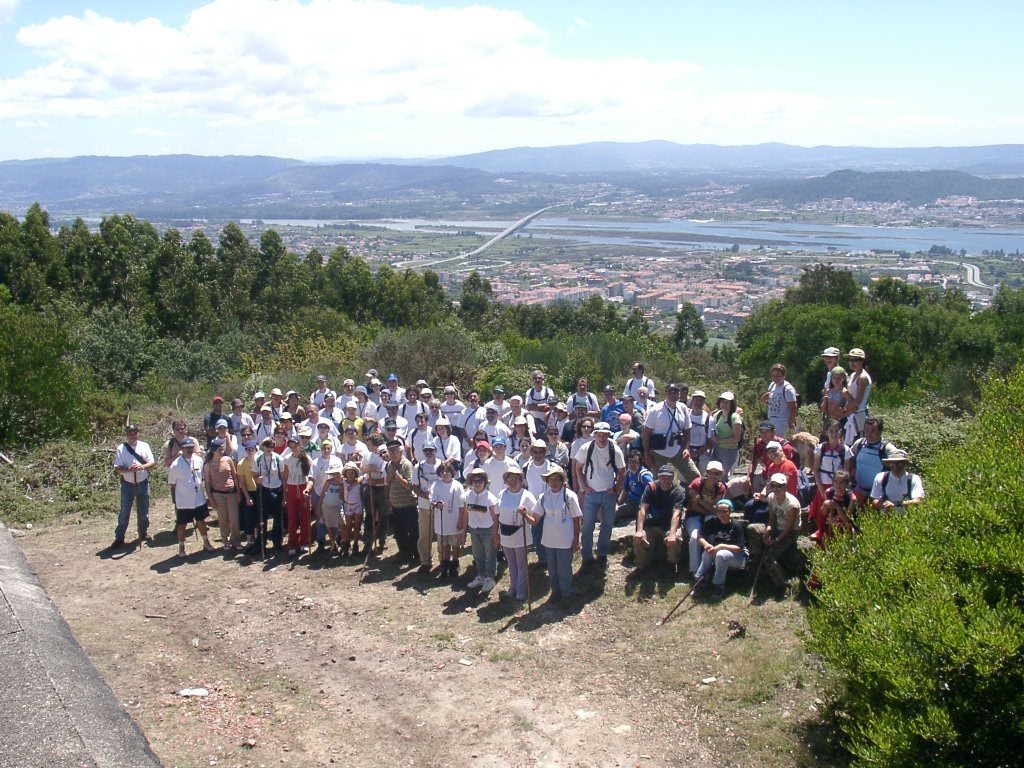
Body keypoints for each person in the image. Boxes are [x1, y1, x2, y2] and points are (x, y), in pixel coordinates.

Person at [523, 465, 582, 608]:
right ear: (547, 482)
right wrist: (524, 515)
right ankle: (556, 592)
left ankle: (567, 594)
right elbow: (535, 519)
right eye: (551, 479)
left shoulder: (569, 496)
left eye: (556, 479)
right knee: (552, 569)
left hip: (565, 540)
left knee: (564, 569)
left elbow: (576, 519)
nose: (554, 482)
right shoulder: (544, 497)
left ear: (562, 481)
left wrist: (576, 540)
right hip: (549, 540)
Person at [574, 421, 625, 572]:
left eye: (605, 435)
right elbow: (578, 467)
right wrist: (585, 487)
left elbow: (622, 470)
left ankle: (602, 553)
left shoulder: (614, 449)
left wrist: (616, 487)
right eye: (599, 435)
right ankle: (587, 556)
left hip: (608, 493)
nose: (602, 438)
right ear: (594, 435)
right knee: (588, 526)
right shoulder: (586, 448)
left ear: (609, 435)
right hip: (592, 493)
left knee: (607, 525)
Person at [747, 473, 800, 593]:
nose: (776, 489)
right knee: (752, 528)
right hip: (776, 529)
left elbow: (789, 528)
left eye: (779, 486)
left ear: (785, 486)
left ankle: (783, 585)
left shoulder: (792, 504)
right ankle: (756, 558)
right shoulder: (771, 497)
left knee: (769, 558)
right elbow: (772, 519)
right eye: (773, 486)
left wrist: (776, 540)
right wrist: (768, 531)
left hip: (789, 532)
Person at [166, 437, 215, 557]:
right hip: (184, 500)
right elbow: (172, 483)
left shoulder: (198, 460)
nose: (189, 450)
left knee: (201, 521)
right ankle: (181, 548)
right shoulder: (176, 464)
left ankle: (206, 542)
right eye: (187, 448)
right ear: (182, 449)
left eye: (191, 447)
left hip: (198, 498)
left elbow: (203, 476)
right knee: (182, 525)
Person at [632, 465, 686, 574]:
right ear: (658, 477)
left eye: (668, 478)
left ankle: (672, 564)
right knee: (638, 538)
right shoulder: (651, 488)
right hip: (652, 524)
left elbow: (676, 514)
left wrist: (672, 533)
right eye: (663, 477)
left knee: (675, 539)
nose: (665, 481)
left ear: (673, 478)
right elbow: (642, 509)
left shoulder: (679, 491)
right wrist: (639, 530)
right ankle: (641, 566)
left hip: (669, 525)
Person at [495, 465, 536, 603]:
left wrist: (525, 514)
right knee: (511, 563)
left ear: (521, 480)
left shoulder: (527, 495)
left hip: (520, 533)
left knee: (521, 563)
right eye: (510, 478)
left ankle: (520, 590)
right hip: (505, 533)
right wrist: (496, 533)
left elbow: (535, 517)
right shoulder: (502, 494)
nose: (512, 481)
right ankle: (512, 587)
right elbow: (497, 513)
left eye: (516, 478)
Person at [693, 499, 747, 600]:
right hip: (716, 555)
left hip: (736, 558)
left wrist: (722, 546)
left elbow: (739, 548)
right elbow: (699, 535)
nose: (721, 514)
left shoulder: (736, 525)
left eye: (724, 511)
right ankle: (700, 581)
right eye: (719, 511)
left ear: (730, 512)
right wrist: (706, 545)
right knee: (708, 552)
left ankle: (718, 586)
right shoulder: (712, 522)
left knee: (721, 554)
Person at [111, 424, 155, 548]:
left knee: (143, 511)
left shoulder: (144, 446)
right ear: (127, 434)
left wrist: (141, 467)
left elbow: (151, 462)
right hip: (127, 485)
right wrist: (129, 470)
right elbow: (118, 468)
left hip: (143, 482)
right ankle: (119, 537)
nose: (133, 435)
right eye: (130, 433)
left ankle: (143, 532)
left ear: (137, 433)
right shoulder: (121, 448)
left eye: (135, 432)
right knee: (124, 512)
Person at [642, 382, 696, 482]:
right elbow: (646, 434)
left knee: (695, 477)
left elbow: (687, 430)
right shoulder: (655, 410)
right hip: (659, 452)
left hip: (679, 450)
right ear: (665, 394)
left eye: (675, 392)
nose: (672, 395)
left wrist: (687, 448)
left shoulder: (682, 408)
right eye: (669, 392)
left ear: (679, 394)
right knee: (659, 482)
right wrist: (647, 454)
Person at [683, 460, 728, 575]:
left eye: (716, 473)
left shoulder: (721, 488)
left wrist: (702, 501)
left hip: (710, 515)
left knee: (710, 537)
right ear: (706, 472)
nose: (713, 476)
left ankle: (707, 567)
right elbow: (693, 506)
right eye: (711, 473)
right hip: (694, 515)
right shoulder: (696, 483)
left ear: (720, 474)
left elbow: (716, 509)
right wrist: (709, 508)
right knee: (694, 537)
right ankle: (695, 570)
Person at [808, 420, 852, 535]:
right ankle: (821, 532)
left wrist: (842, 488)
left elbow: (846, 471)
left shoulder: (845, 450)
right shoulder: (821, 448)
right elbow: (816, 468)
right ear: (826, 432)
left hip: (839, 486)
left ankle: (835, 535)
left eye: (836, 431)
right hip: (823, 484)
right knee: (822, 511)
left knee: (838, 511)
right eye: (831, 431)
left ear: (840, 432)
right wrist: (821, 489)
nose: (833, 434)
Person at [743, 441, 798, 523]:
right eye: (769, 453)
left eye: (774, 451)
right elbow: (769, 484)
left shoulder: (788, 465)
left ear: (781, 450)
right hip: (772, 497)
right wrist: (761, 494)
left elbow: (781, 489)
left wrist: (766, 499)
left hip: (784, 499)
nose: (772, 454)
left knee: (759, 513)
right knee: (749, 506)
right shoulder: (772, 466)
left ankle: (761, 533)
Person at [430, 462, 467, 578]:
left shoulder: (458, 485)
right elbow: (432, 500)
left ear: (452, 473)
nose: (445, 473)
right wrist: (437, 504)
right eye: (442, 471)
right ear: (439, 473)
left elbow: (462, 505)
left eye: (447, 471)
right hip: (441, 521)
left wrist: (461, 520)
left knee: (455, 544)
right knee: (444, 545)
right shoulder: (436, 485)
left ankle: (454, 564)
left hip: (455, 520)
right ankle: (445, 565)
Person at [385, 438, 419, 565]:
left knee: (412, 531)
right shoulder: (389, 465)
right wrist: (388, 497)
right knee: (399, 531)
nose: (393, 454)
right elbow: (388, 482)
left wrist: (398, 478)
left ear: (401, 452)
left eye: (395, 451)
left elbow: (410, 485)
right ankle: (404, 552)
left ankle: (416, 554)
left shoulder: (406, 465)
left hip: (408, 504)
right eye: (390, 451)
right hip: (395, 504)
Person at [464, 467, 498, 591]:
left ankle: (490, 577)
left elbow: (495, 517)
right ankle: (481, 576)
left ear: (484, 482)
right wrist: (464, 532)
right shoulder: (467, 496)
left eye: (480, 481)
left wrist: (495, 534)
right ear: (471, 482)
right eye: (474, 481)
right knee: (478, 555)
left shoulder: (490, 498)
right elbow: (465, 514)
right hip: (474, 529)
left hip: (488, 530)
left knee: (490, 555)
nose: (477, 483)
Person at [847, 417, 894, 506]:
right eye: (866, 430)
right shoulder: (859, 443)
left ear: (880, 432)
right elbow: (849, 458)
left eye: (873, 431)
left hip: (878, 495)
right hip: (858, 490)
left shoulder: (887, 449)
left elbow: (899, 464)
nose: (869, 434)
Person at [414, 441, 442, 572]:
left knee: (442, 534)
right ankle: (425, 561)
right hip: (424, 505)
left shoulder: (442, 465)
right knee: (425, 534)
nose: (429, 453)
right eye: (426, 451)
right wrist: (423, 496)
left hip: (439, 506)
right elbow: (414, 486)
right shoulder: (418, 467)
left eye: (431, 450)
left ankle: (444, 559)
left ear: (435, 450)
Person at [281, 436, 312, 556]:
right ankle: (292, 543)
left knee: (305, 516)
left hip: (303, 486)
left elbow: (310, 476)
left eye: (295, 446)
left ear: (299, 445)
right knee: (292, 518)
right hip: (292, 488)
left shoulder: (306, 458)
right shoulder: (287, 459)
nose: (293, 448)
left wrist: (309, 491)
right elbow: (285, 478)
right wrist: (284, 494)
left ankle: (304, 541)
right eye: (291, 446)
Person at [254, 436, 285, 552]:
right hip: (264, 490)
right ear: (263, 446)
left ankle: (277, 542)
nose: (269, 448)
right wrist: (257, 479)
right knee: (263, 518)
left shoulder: (278, 458)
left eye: (272, 446)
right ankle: (261, 543)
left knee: (278, 518)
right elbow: (254, 474)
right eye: (267, 445)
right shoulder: (258, 458)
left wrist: (284, 493)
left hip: (276, 489)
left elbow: (282, 476)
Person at [709, 391, 744, 477]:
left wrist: (719, 441)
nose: (724, 404)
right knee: (713, 474)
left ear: (732, 404)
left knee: (721, 476)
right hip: (717, 450)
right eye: (722, 401)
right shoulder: (717, 415)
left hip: (729, 451)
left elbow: (736, 438)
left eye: (727, 402)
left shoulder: (734, 417)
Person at [842, 348, 872, 446]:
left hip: (860, 414)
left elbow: (858, 400)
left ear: (862, 361)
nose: (852, 363)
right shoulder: (853, 375)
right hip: (851, 413)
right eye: (850, 360)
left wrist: (844, 411)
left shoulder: (862, 377)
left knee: (859, 442)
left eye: (856, 360)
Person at [236, 440, 260, 551]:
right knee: (249, 517)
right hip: (249, 492)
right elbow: (242, 482)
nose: (250, 451)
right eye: (248, 450)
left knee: (258, 517)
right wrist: (247, 497)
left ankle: (258, 540)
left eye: (252, 449)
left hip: (259, 491)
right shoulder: (241, 464)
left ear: (256, 450)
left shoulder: (260, 461)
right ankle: (250, 541)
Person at [762, 363, 798, 438]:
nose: (776, 378)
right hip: (771, 420)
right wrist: (764, 398)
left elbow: (793, 407)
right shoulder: (772, 385)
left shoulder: (787, 388)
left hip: (782, 422)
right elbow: (770, 402)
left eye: (778, 376)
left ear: (784, 376)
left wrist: (791, 422)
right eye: (773, 376)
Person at [617, 449, 653, 521]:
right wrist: (618, 503)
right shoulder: (629, 473)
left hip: (641, 503)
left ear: (640, 463)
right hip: (630, 501)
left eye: (635, 462)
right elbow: (625, 489)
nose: (632, 464)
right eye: (630, 461)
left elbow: (652, 491)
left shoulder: (644, 475)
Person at [339, 462, 366, 556]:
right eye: (348, 473)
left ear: (355, 473)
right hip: (348, 505)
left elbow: (365, 476)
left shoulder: (359, 483)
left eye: (352, 473)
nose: (350, 475)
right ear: (345, 474)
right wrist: (345, 502)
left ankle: (355, 543)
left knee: (357, 525)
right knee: (348, 525)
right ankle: (347, 543)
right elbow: (341, 495)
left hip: (358, 504)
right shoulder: (343, 482)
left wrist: (355, 482)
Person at [686, 390, 712, 473]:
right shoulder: (685, 415)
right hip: (686, 452)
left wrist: (698, 453)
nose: (698, 402)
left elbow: (710, 441)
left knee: (704, 478)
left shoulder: (709, 419)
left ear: (704, 401)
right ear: (692, 400)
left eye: (701, 400)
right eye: (696, 399)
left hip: (703, 453)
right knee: (685, 479)